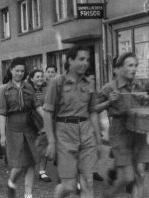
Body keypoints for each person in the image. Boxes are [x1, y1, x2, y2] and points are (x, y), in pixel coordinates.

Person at [95, 52, 149, 198]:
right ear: (119, 68)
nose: (134, 69)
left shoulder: (139, 85)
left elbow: (147, 105)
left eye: (136, 65)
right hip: (120, 134)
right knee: (127, 178)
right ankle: (108, 195)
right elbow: (93, 108)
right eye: (130, 65)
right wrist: (109, 101)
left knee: (141, 173)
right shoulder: (109, 87)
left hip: (139, 133)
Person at [43, 45, 101, 198]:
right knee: (69, 186)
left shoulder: (89, 83)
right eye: (81, 59)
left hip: (86, 133)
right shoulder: (57, 82)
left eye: (87, 60)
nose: (85, 63)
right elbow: (47, 113)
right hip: (64, 134)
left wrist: (99, 140)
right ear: (70, 60)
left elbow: (93, 112)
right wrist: (51, 142)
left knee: (88, 182)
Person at [0, 57, 43, 198]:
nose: (19, 73)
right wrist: (3, 135)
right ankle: (11, 183)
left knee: (31, 162)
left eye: (22, 71)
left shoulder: (29, 87)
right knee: (17, 165)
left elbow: (37, 106)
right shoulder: (4, 89)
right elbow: (2, 114)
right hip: (13, 129)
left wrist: (47, 121)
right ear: (11, 70)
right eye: (17, 70)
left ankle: (28, 194)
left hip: (29, 128)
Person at [27, 69, 52, 183]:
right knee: (31, 146)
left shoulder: (47, 89)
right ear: (31, 78)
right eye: (37, 76)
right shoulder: (27, 90)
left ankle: (42, 171)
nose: (40, 78)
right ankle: (28, 167)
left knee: (44, 145)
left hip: (44, 120)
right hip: (31, 121)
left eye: (41, 76)